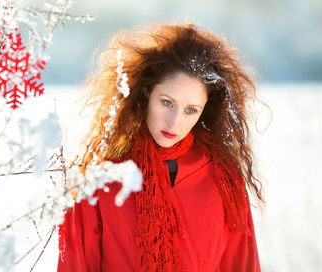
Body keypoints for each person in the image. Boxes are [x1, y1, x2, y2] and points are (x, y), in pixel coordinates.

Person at [57, 22, 264, 272]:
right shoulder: (99, 176)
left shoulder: (222, 177)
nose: (174, 122)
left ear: (204, 111)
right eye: (167, 103)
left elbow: (242, 265)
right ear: (146, 94)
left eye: (190, 110)